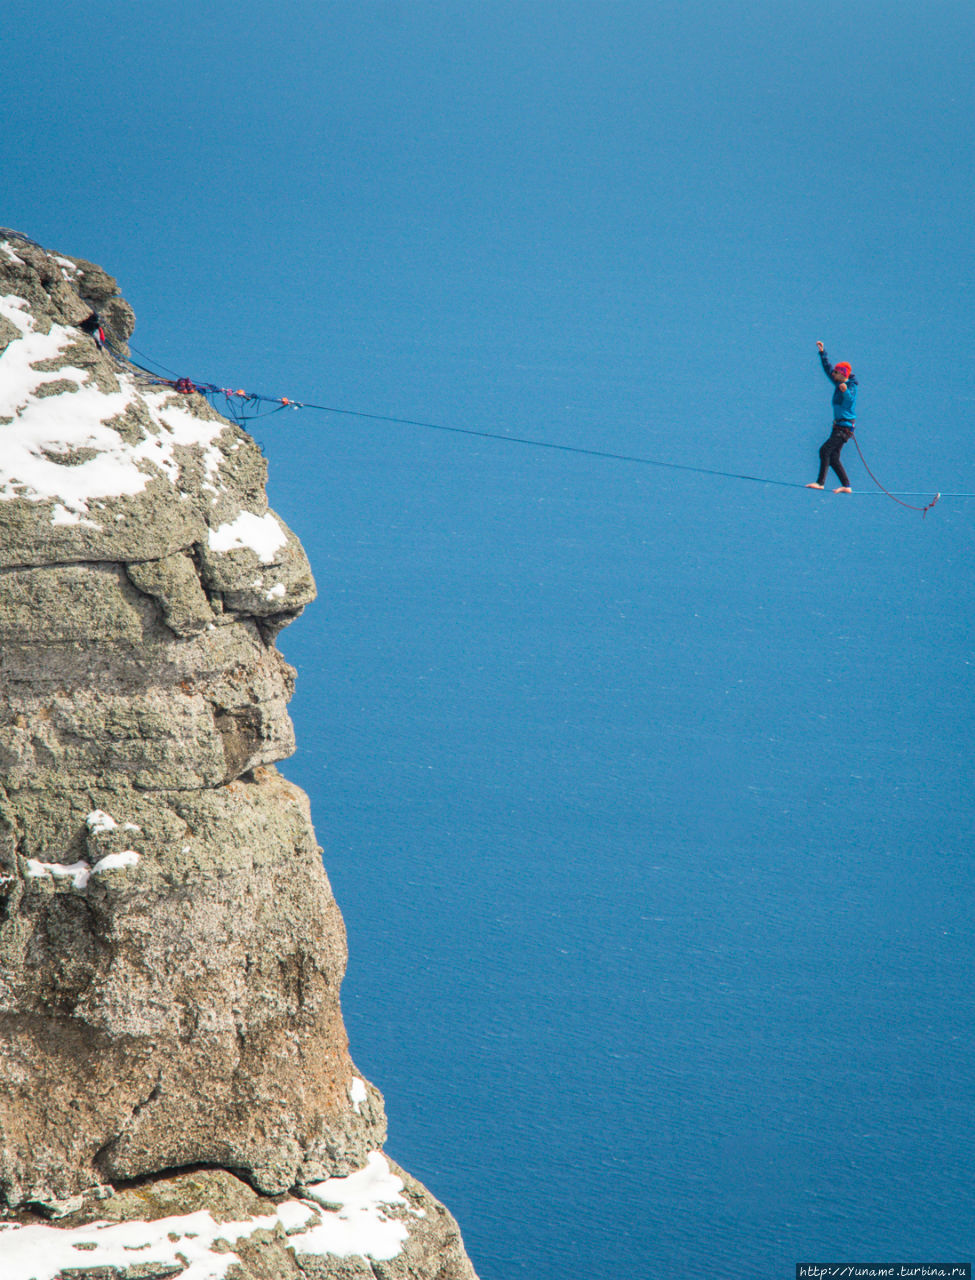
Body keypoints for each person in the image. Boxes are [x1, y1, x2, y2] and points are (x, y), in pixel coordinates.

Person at [807, 340, 857, 492]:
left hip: (844, 428)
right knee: (834, 457)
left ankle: (820, 483)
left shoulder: (851, 387)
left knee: (824, 451)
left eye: (836, 372)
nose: (833, 374)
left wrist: (845, 391)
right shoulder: (838, 383)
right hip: (838, 427)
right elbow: (827, 369)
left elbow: (850, 402)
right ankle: (846, 485)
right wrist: (822, 353)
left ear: (842, 375)